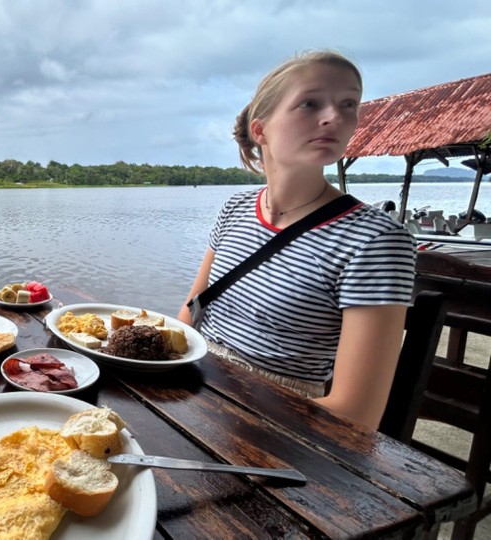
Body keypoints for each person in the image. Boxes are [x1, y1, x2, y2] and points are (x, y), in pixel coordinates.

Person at [177, 50, 415, 430]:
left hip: (282, 425)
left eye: (349, 104)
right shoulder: (236, 208)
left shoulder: (375, 240)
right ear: (261, 130)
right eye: (310, 103)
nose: (334, 117)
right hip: (196, 393)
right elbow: (189, 318)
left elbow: (356, 415)